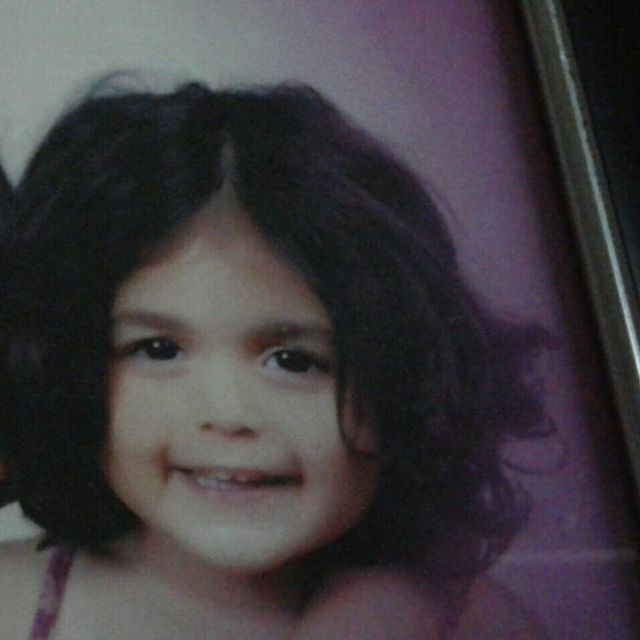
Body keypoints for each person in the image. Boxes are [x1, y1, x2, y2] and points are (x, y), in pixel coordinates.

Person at [0, 81, 549, 638]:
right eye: (159, 350)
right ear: (69, 370)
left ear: (405, 382)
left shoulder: (475, 622)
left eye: (293, 360)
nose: (229, 414)